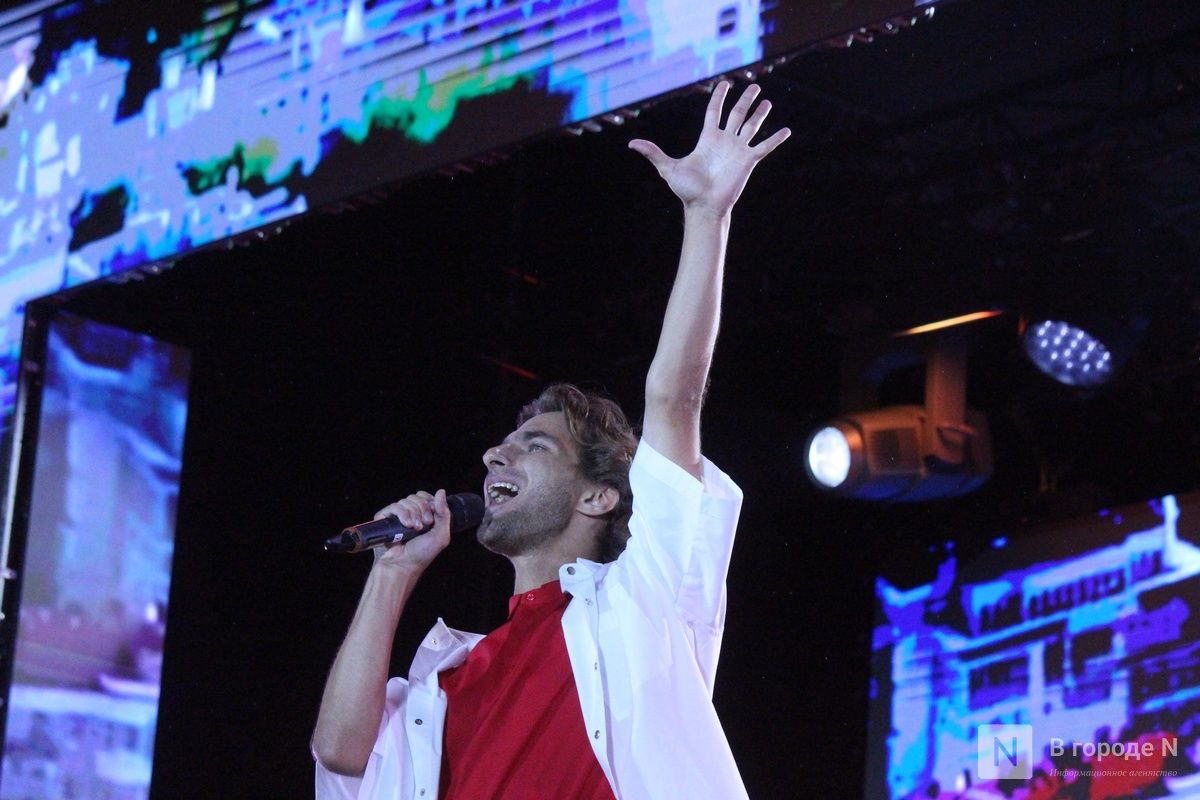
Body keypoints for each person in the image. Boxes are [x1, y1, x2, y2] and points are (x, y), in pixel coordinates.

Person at [312, 81, 790, 800]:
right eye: (505, 444)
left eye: (535, 446)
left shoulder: (640, 606)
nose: (494, 455)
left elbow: (673, 397)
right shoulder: (446, 684)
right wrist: (392, 572)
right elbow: (341, 754)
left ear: (598, 496)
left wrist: (706, 216)